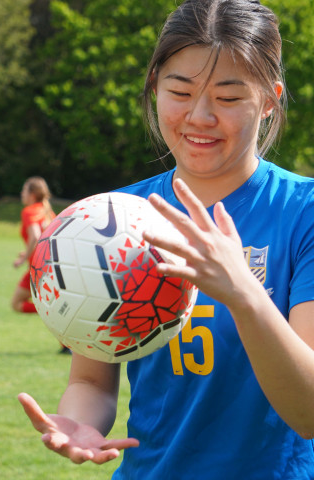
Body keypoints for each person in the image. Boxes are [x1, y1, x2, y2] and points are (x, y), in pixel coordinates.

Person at [18, 0, 314, 478]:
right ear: (155, 87)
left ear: (270, 99)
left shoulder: (303, 214)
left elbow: (308, 413)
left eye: (229, 97)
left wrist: (243, 294)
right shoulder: (113, 220)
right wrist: (77, 421)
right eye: (180, 90)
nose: (199, 116)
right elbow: (93, 379)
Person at [11, 176, 55, 314]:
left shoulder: (29, 212)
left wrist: (23, 259)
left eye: (24, 190)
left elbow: (35, 236)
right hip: (53, 268)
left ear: (32, 194)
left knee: (16, 304)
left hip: (39, 269)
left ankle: (54, 313)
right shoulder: (49, 212)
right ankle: (56, 312)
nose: (21, 193)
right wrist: (27, 252)